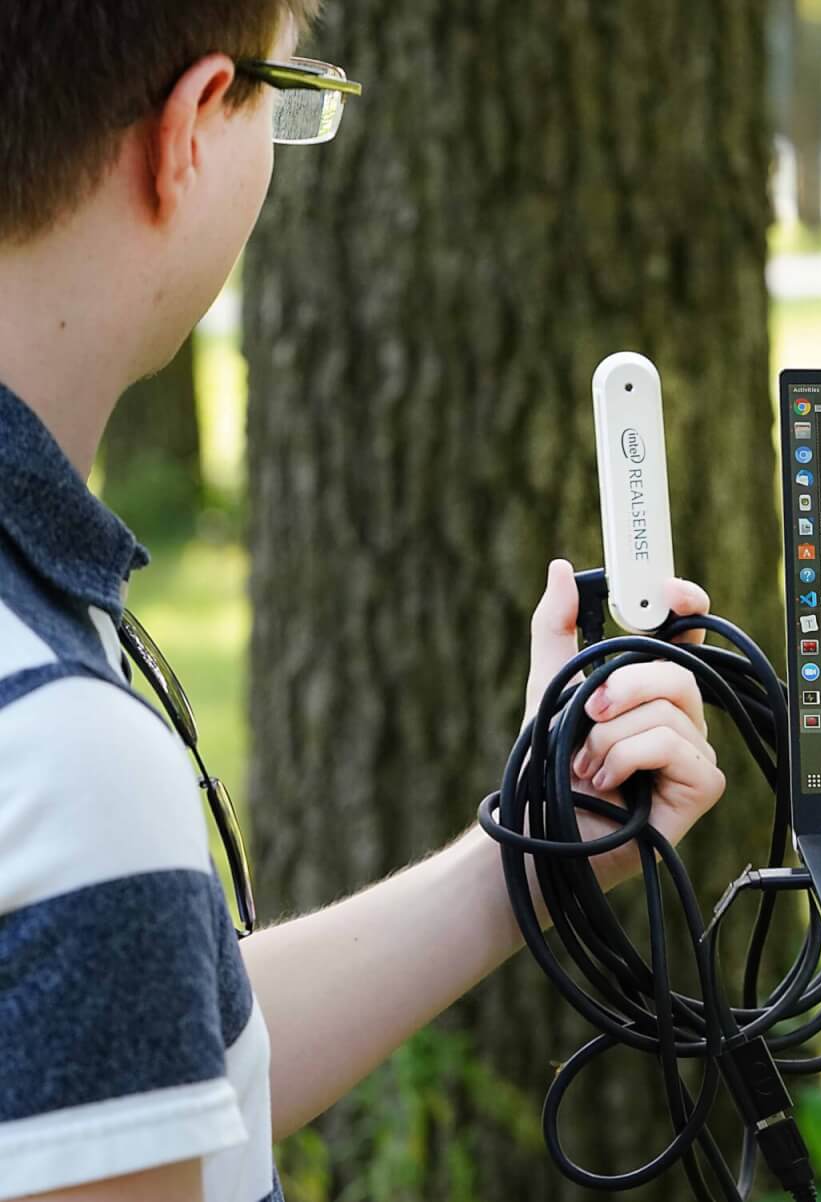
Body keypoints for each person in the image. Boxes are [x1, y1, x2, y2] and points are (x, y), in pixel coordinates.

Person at [0, 4, 729, 1199]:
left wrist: (525, 857)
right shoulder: (67, 761)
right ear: (188, 129)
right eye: (283, 100)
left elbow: (129, 1066)